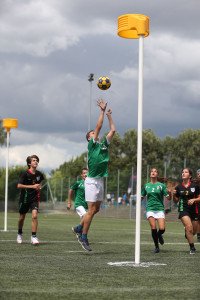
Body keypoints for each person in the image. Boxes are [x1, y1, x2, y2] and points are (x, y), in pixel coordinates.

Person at [73, 98, 115, 251]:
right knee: (91, 211)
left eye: (94, 132)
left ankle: (78, 227)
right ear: (89, 138)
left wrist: (110, 116)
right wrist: (102, 111)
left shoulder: (103, 145)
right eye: (92, 133)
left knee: (96, 209)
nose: (95, 132)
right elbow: (99, 125)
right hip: (91, 181)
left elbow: (112, 131)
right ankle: (83, 237)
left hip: (100, 181)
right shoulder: (92, 145)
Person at [141, 168, 171, 253]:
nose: (153, 173)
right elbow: (142, 196)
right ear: (150, 174)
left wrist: (170, 193)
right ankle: (156, 247)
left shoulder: (161, 186)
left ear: (157, 175)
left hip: (160, 209)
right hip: (150, 209)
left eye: (155, 171)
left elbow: (168, 198)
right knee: (153, 227)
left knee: (162, 229)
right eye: (151, 171)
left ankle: (159, 235)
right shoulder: (146, 186)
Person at [17, 155, 44, 245]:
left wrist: (38, 188)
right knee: (22, 218)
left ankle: (33, 237)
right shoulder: (24, 173)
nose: (36, 162)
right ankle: (20, 233)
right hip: (24, 199)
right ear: (29, 163)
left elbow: (39, 186)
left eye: (36, 160)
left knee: (34, 216)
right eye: (33, 160)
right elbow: (19, 186)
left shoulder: (39, 174)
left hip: (34, 199)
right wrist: (33, 186)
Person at [173, 168, 200, 254]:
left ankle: (188, 233)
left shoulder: (195, 186)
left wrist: (194, 200)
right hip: (183, 209)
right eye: (182, 172)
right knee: (189, 228)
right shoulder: (178, 187)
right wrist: (173, 195)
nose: (183, 173)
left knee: (193, 231)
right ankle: (192, 248)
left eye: (186, 172)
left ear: (190, 175)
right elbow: (176, 200)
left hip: (194, 209)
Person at [67, 168, 88, 241]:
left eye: (87, 173)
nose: (86, 174)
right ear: (81, 175)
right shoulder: (78, 183)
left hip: (87, 206)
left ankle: (80, 234)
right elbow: (70, 190)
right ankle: (78, 230)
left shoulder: (90, 184)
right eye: (84, 173)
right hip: (79, 204)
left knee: (86, 221)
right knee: (85, 216)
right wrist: (69, 203)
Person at [192, 169, 200, 242]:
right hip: (197, 202)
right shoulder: (195, 182)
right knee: (197, 219)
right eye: (198, 174)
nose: (199, 175)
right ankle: (198, 235)